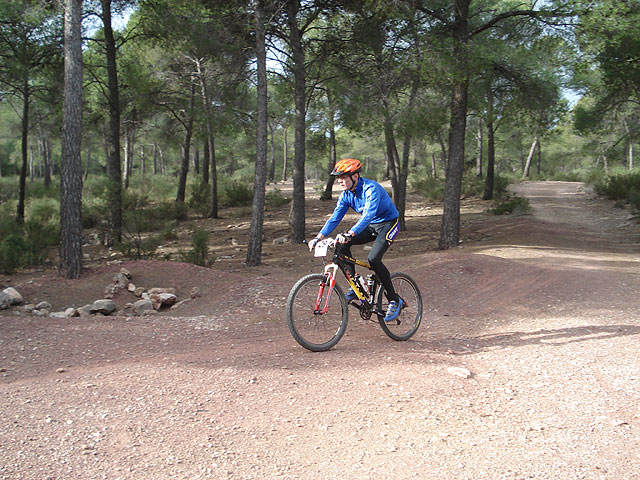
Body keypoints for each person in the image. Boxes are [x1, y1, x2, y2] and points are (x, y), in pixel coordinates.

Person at [308, 158, 403, 322]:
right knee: (340, 245)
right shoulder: (346, 195)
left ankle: (394, 300)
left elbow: (368, 214)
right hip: (371, 226)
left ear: (355, 176)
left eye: (343, 177)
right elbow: (335, 218)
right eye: (338, 178)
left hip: (388, 224)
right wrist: (318, 237)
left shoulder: (370, 188)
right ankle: (356, 284)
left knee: (374, 259)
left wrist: (351, 233)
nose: (340, 181)